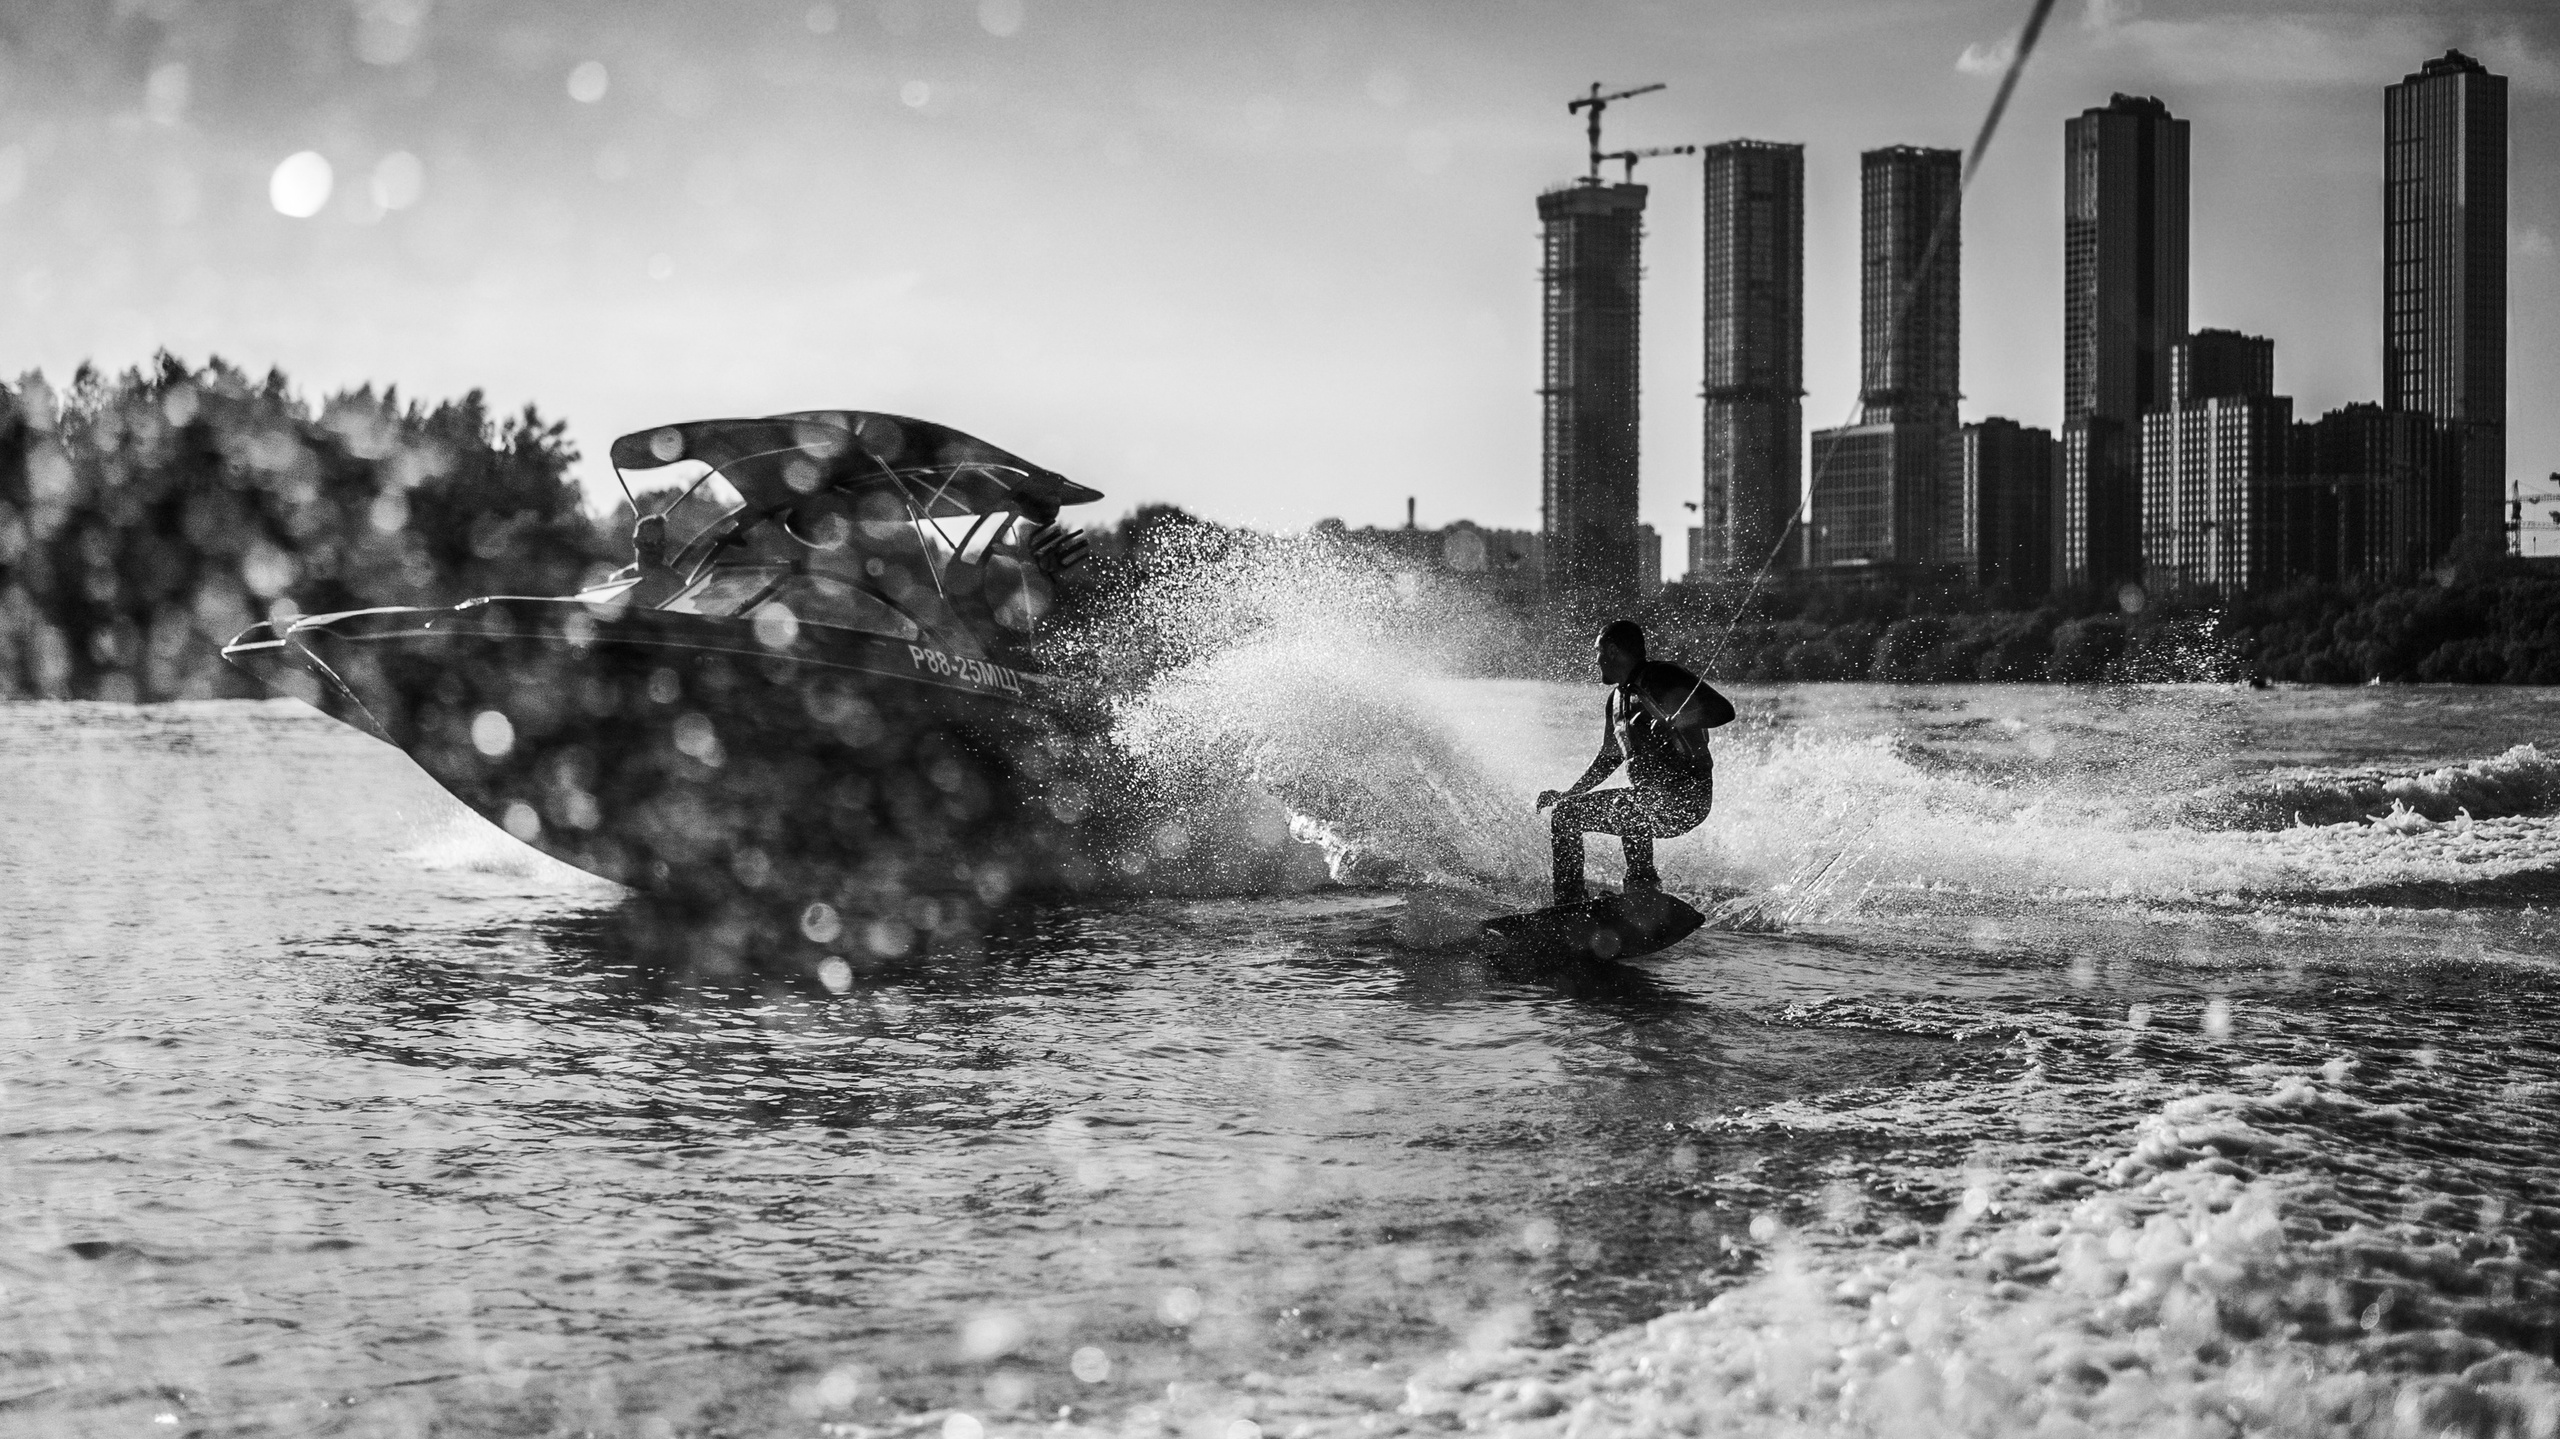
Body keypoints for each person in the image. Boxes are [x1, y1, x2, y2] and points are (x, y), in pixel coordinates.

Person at [1536, 620, 1734, 905]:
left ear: (1613, 650)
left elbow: (1724, 710)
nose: (1596, 660)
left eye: (1598, 651)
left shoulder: (1661, 676)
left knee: (1630, 806)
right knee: (1568, 813)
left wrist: (1677, 720)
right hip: (1648, 800)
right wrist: (1570, 794)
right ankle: (1575, 902)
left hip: (1687, 798)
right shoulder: (1616, 699)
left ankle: (1636, 893)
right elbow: (1609, 758)